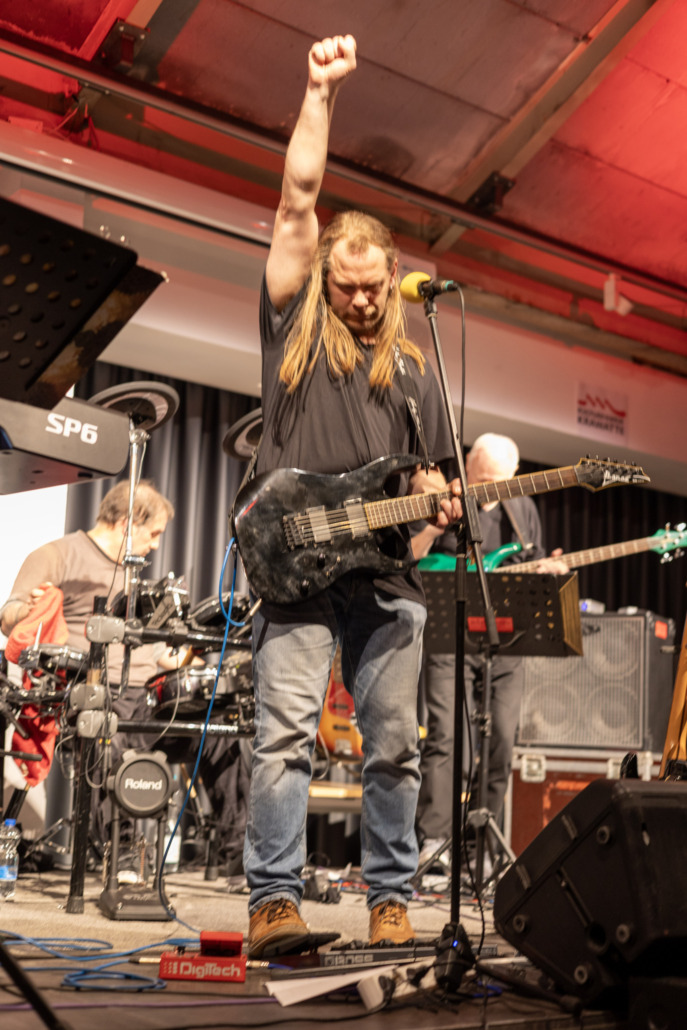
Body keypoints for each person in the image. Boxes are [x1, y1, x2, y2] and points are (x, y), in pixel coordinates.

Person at [241, 34, 462, 958]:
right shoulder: (295, 325)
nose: (363, 301)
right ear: (325, 276)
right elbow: (296, 199)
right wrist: (319, 92)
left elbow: (434, 484)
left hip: (385, 581)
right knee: (284, 737)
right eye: (348, 286)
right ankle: (273, 903)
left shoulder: (414, 369)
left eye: (375, 288)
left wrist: (437, 513)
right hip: (295, 562)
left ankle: (390, 901)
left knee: (394, 748)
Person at [1, 480, 247, 872]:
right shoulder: (57, 555)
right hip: (91, 693)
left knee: (220, 732)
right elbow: (9, 616)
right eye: (153, 534)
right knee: (107, 730)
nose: (156, 545)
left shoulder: (135, 574)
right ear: (128, 522)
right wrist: (28, 610)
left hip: (147, 698)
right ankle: (122, 853)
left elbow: (157, 654)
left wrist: (191, 658)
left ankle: (240, 855)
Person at [411, 433, 568, 871]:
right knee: (448, 738)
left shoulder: (523, 510)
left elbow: (532, 565)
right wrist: (433, 526)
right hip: (450, 638)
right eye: (481, 480)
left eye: (498, 482)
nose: (488, 490)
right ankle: (435, 842)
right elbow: (411, 556)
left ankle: (480, 848)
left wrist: (551, 570)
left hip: (506, 641)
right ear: (466, 466)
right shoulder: (442, 497)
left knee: (500, 740)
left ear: (514, 476)